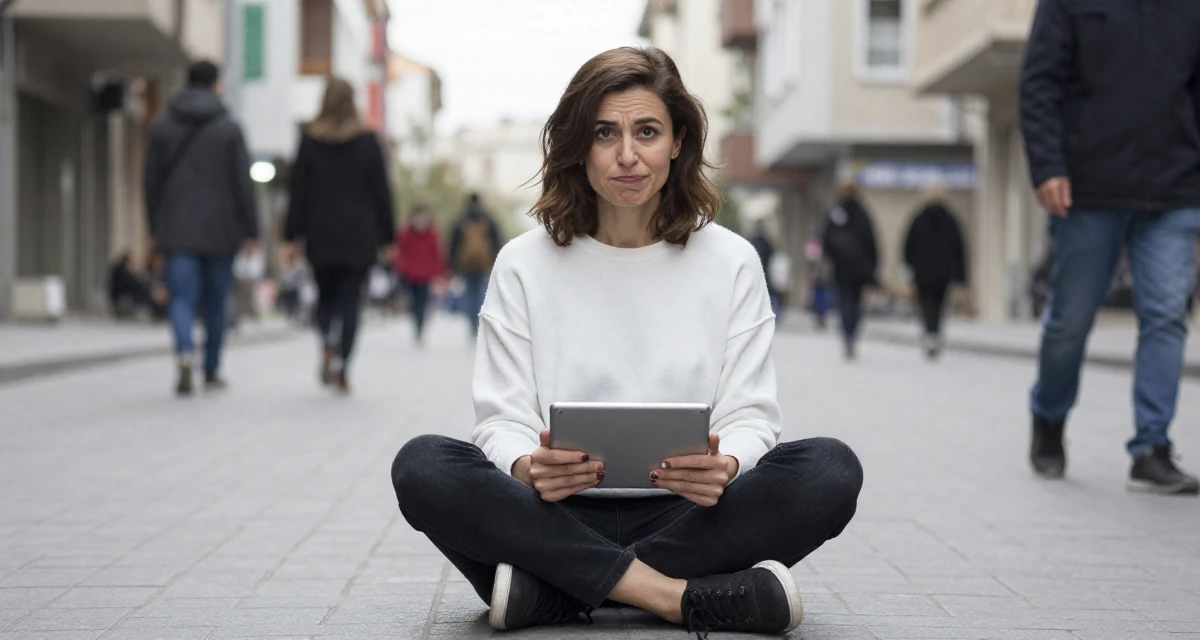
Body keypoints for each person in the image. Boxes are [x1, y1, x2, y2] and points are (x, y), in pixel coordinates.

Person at [391, 47, 863, 637]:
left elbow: (751, 413)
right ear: (577, 148)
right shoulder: (523, 263)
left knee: (829, 469)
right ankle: (672, 597)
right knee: (423, 465)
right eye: (604, 133)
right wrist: (526, 466)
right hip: (554, 513)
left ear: (678, 143)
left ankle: (556, 593)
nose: (627, 155)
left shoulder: (732, 260)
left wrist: (727, 463)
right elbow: (500, 418)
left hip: (689, 515)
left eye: (647, 131)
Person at [1020, 0, 1200, 493]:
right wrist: (1047, 165)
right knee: (1071, 319)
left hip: (1173, 189)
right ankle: (1049, 416)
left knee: (1166, 312)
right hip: (1086, 188)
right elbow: (1039, 83)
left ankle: (1152, 447)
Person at [143, 60, 259, 396]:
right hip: (221, 232)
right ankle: (209, 369)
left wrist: (154, 225)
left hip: (176, 229)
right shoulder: (229, 128)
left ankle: (183, 352)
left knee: (181, 297)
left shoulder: (163, 126)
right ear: (215, 84)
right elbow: (243, 183)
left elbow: (150, 182)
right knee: (215, 302)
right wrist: (252, 230)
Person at [284, 77, 395, 395]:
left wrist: (291, 236)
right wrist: (387, 238)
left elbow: (298, 193)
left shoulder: (310, 140)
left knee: (324, 298)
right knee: (350, 302)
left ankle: (327, 343)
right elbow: (381, 193)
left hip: (320, 235)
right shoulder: (368, 140)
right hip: (359, 236)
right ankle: (344, 366)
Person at [902, 182, 966, 360]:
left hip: (922, 271)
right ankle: (935, 332)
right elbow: (958, 248)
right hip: (943, 271)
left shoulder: (918, 218)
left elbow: (908, 246)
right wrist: (960, 275)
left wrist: (908, 268)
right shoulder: (950, 219)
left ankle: (929, 332)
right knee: (939, 304)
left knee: (926, 303)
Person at [821, 182, 878, 360]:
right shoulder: (862, 213)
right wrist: (873, 266)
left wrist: (831, 257)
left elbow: (826, 239)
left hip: (842, 268)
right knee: (856, 302)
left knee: (845, 301)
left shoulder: (837, 212)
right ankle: (850, 333)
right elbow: (871, 242)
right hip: (859, 268)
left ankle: (848, 335)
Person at [449, 193, 501, 338]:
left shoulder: (460, 220)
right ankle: (479, 320)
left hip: (465, 263)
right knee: (481, 293)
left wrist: (452, 265)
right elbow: (496, 242)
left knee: (469, 293)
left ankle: (472, 322)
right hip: (484, 262)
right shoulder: (488, 219)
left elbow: (453, 245)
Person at [395, 204, 445, 346]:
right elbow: (400, 252)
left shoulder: (432, 234)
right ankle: (417, 324)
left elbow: (436, 255)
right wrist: (402, 267)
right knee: (413, 302)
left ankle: (420, 326)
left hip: (425, 274)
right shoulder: (405, 233)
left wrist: (439, 273)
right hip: (410, 274)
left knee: (422, 302)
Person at [748, 220, 781, 319]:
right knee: (767, 292)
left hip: (759, 270)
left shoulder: (754, 242)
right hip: (764, 270)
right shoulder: (764, 242)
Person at [108, 252, 147, 319]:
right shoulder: (122, 272)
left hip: (119, 296)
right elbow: (134, 284)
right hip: (121, 298)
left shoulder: (120, 271)